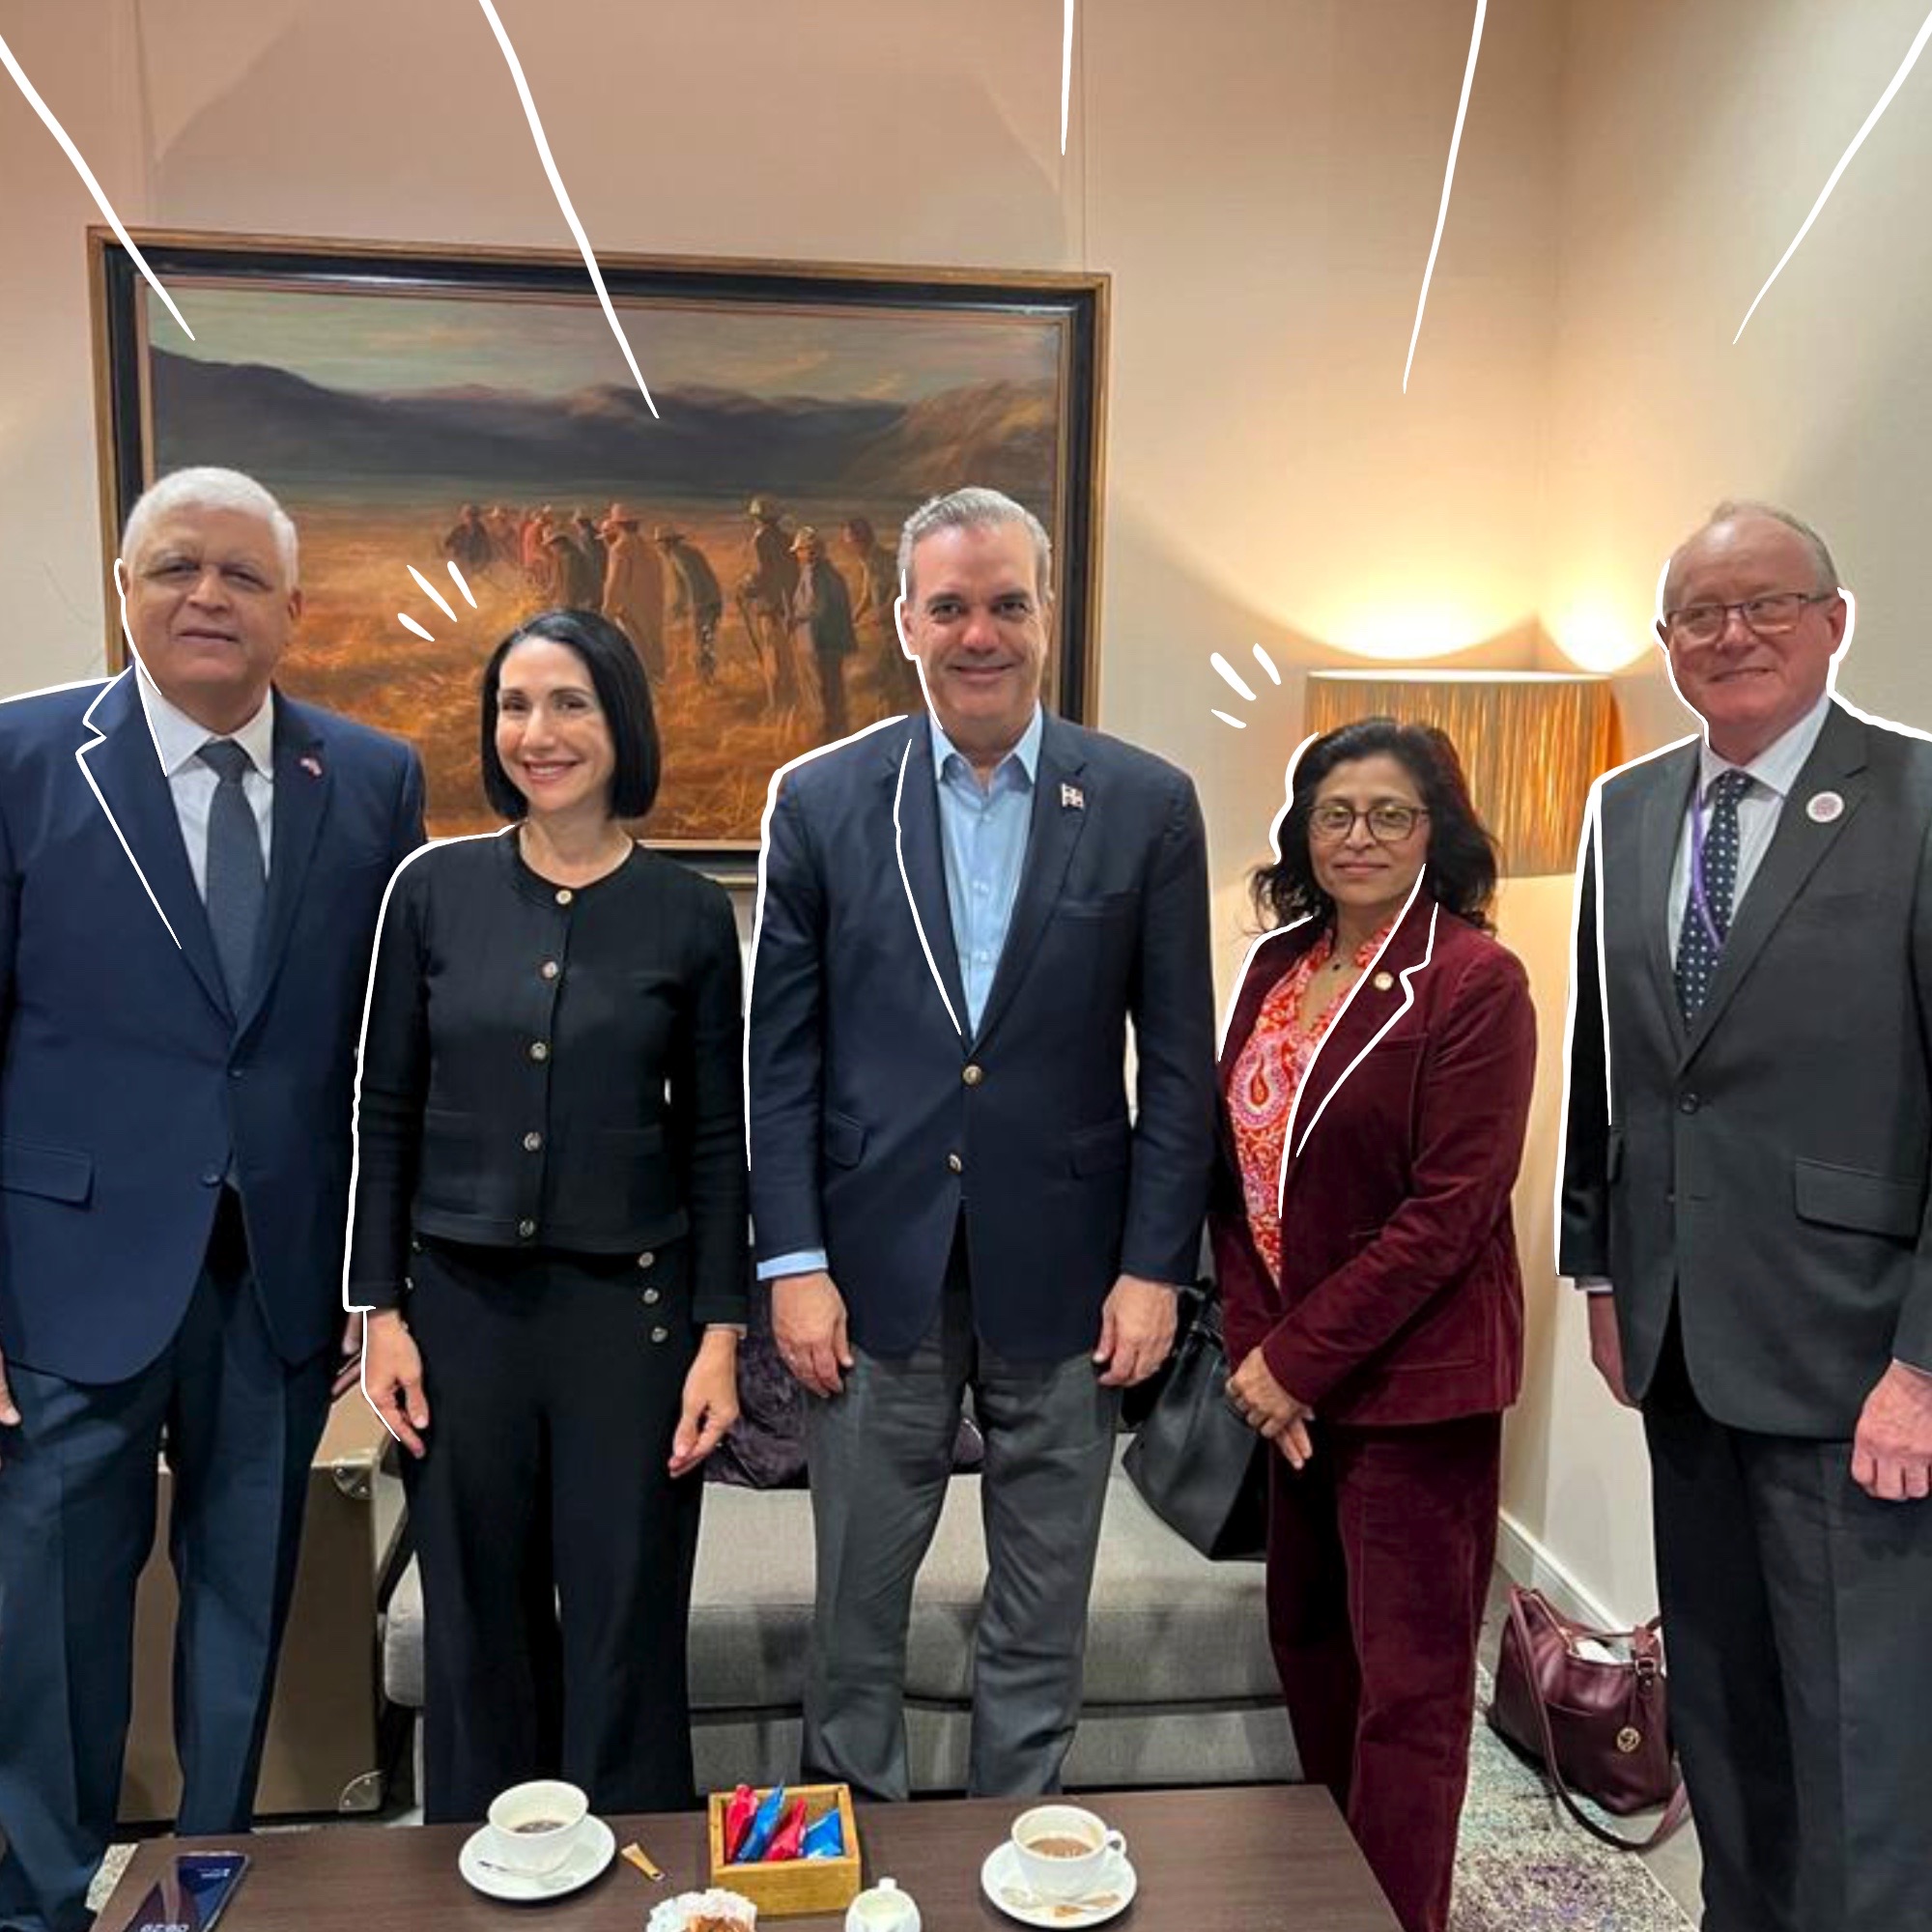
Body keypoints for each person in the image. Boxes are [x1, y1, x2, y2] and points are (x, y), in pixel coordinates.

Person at [0, 468, 424, 1932]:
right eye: (176, 566)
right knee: (55, 1625)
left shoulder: (369, 778)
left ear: (293, 609)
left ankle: (209, 1890)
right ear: (124, 588)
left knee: (246, 1605)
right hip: (66, 1277)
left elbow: (382, 1055)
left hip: (279, 1280)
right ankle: (41, 1901)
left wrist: (376, 1281)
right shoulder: (24, 758)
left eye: (243, 576)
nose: (208, 596)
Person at [749, 484, 1215, 1800]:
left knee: (1041, 1610)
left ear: (1046, 613)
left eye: (1007, 603)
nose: (979, 634)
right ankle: (856, 1861)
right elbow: (779, 1062)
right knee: (855, 1616)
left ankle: (1020, 1851)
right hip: (868, 1273)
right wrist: (792, 1261)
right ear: (905, 620)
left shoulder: (1144, 804)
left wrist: (1155, 1268)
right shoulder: (823, 801)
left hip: (1074, 1277)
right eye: (949, 606)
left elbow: (1177, 1063)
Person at [1560, 500, 1932, 1932]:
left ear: (1833, 621)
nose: (1732, 636)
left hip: (1855, 1366)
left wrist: (1922, 1368)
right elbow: (1609, 1062)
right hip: (1678, 1347)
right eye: (1699, 615)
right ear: (1666, 643)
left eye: (1766, 604)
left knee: (1860, 1751)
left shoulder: (1915, 798)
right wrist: (1599, 1270)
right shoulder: (1630, 806)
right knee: (1721, 1715)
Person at [352, 607, 747, 1821]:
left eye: (569, 701)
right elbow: (384, 1107)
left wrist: (720, 1335)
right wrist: (379, 1311)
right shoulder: (430, 890)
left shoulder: (688, 912)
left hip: (630, 1320)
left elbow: (715, 1137)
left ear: (620, 720)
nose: (539, 731)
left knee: (627, 1618)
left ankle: (628, 1872)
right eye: (514, 706)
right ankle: (484, 1867)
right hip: (458, 1315)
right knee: (477, 1622)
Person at [1210, 719, 1534, 1932]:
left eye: (1389, 813)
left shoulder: (1472, 979)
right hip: (1289, 1391)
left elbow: (1449, 1211)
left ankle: (1397, 1914)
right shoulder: (1275, 964)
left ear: (1434, 830)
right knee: (1307, 1645)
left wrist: (1294, 1361)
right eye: (1334, 812)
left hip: (1412, 1388)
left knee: (1407, 1692)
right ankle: (1325, 1894)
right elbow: (1235, 1179)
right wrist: (1257, 1359)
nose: (1359, 835)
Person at [789, 526, 856, 739]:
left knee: (819, 692)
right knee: (833, 691)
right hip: (832, 644)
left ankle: (825, 736)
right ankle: (838, 733)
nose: (798, 555)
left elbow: (815, 607)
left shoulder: (813, 573)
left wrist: (795, 618)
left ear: (809, 551)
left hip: (815, 642)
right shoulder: (833, 574)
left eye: (800, 550)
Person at [600, 504, 667, 682]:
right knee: (653, 651)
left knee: (635, 657)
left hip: (629, 612)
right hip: (653, 608)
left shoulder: (619, 550)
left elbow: (614, 585)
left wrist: (606, 614)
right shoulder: (650, 549)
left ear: (617, 525)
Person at [654, 526, 724, 686]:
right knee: (706, 642)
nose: (659, 548)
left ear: (666, 543)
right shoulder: (688, 552)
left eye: (660, 543)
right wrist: (677, 607)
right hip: (713, 601)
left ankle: (705, 680)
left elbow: (692, 582)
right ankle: (708, 678)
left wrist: (694, 607)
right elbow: (683, 587)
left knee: (702, 642)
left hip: (704, 604)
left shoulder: (677, 555)